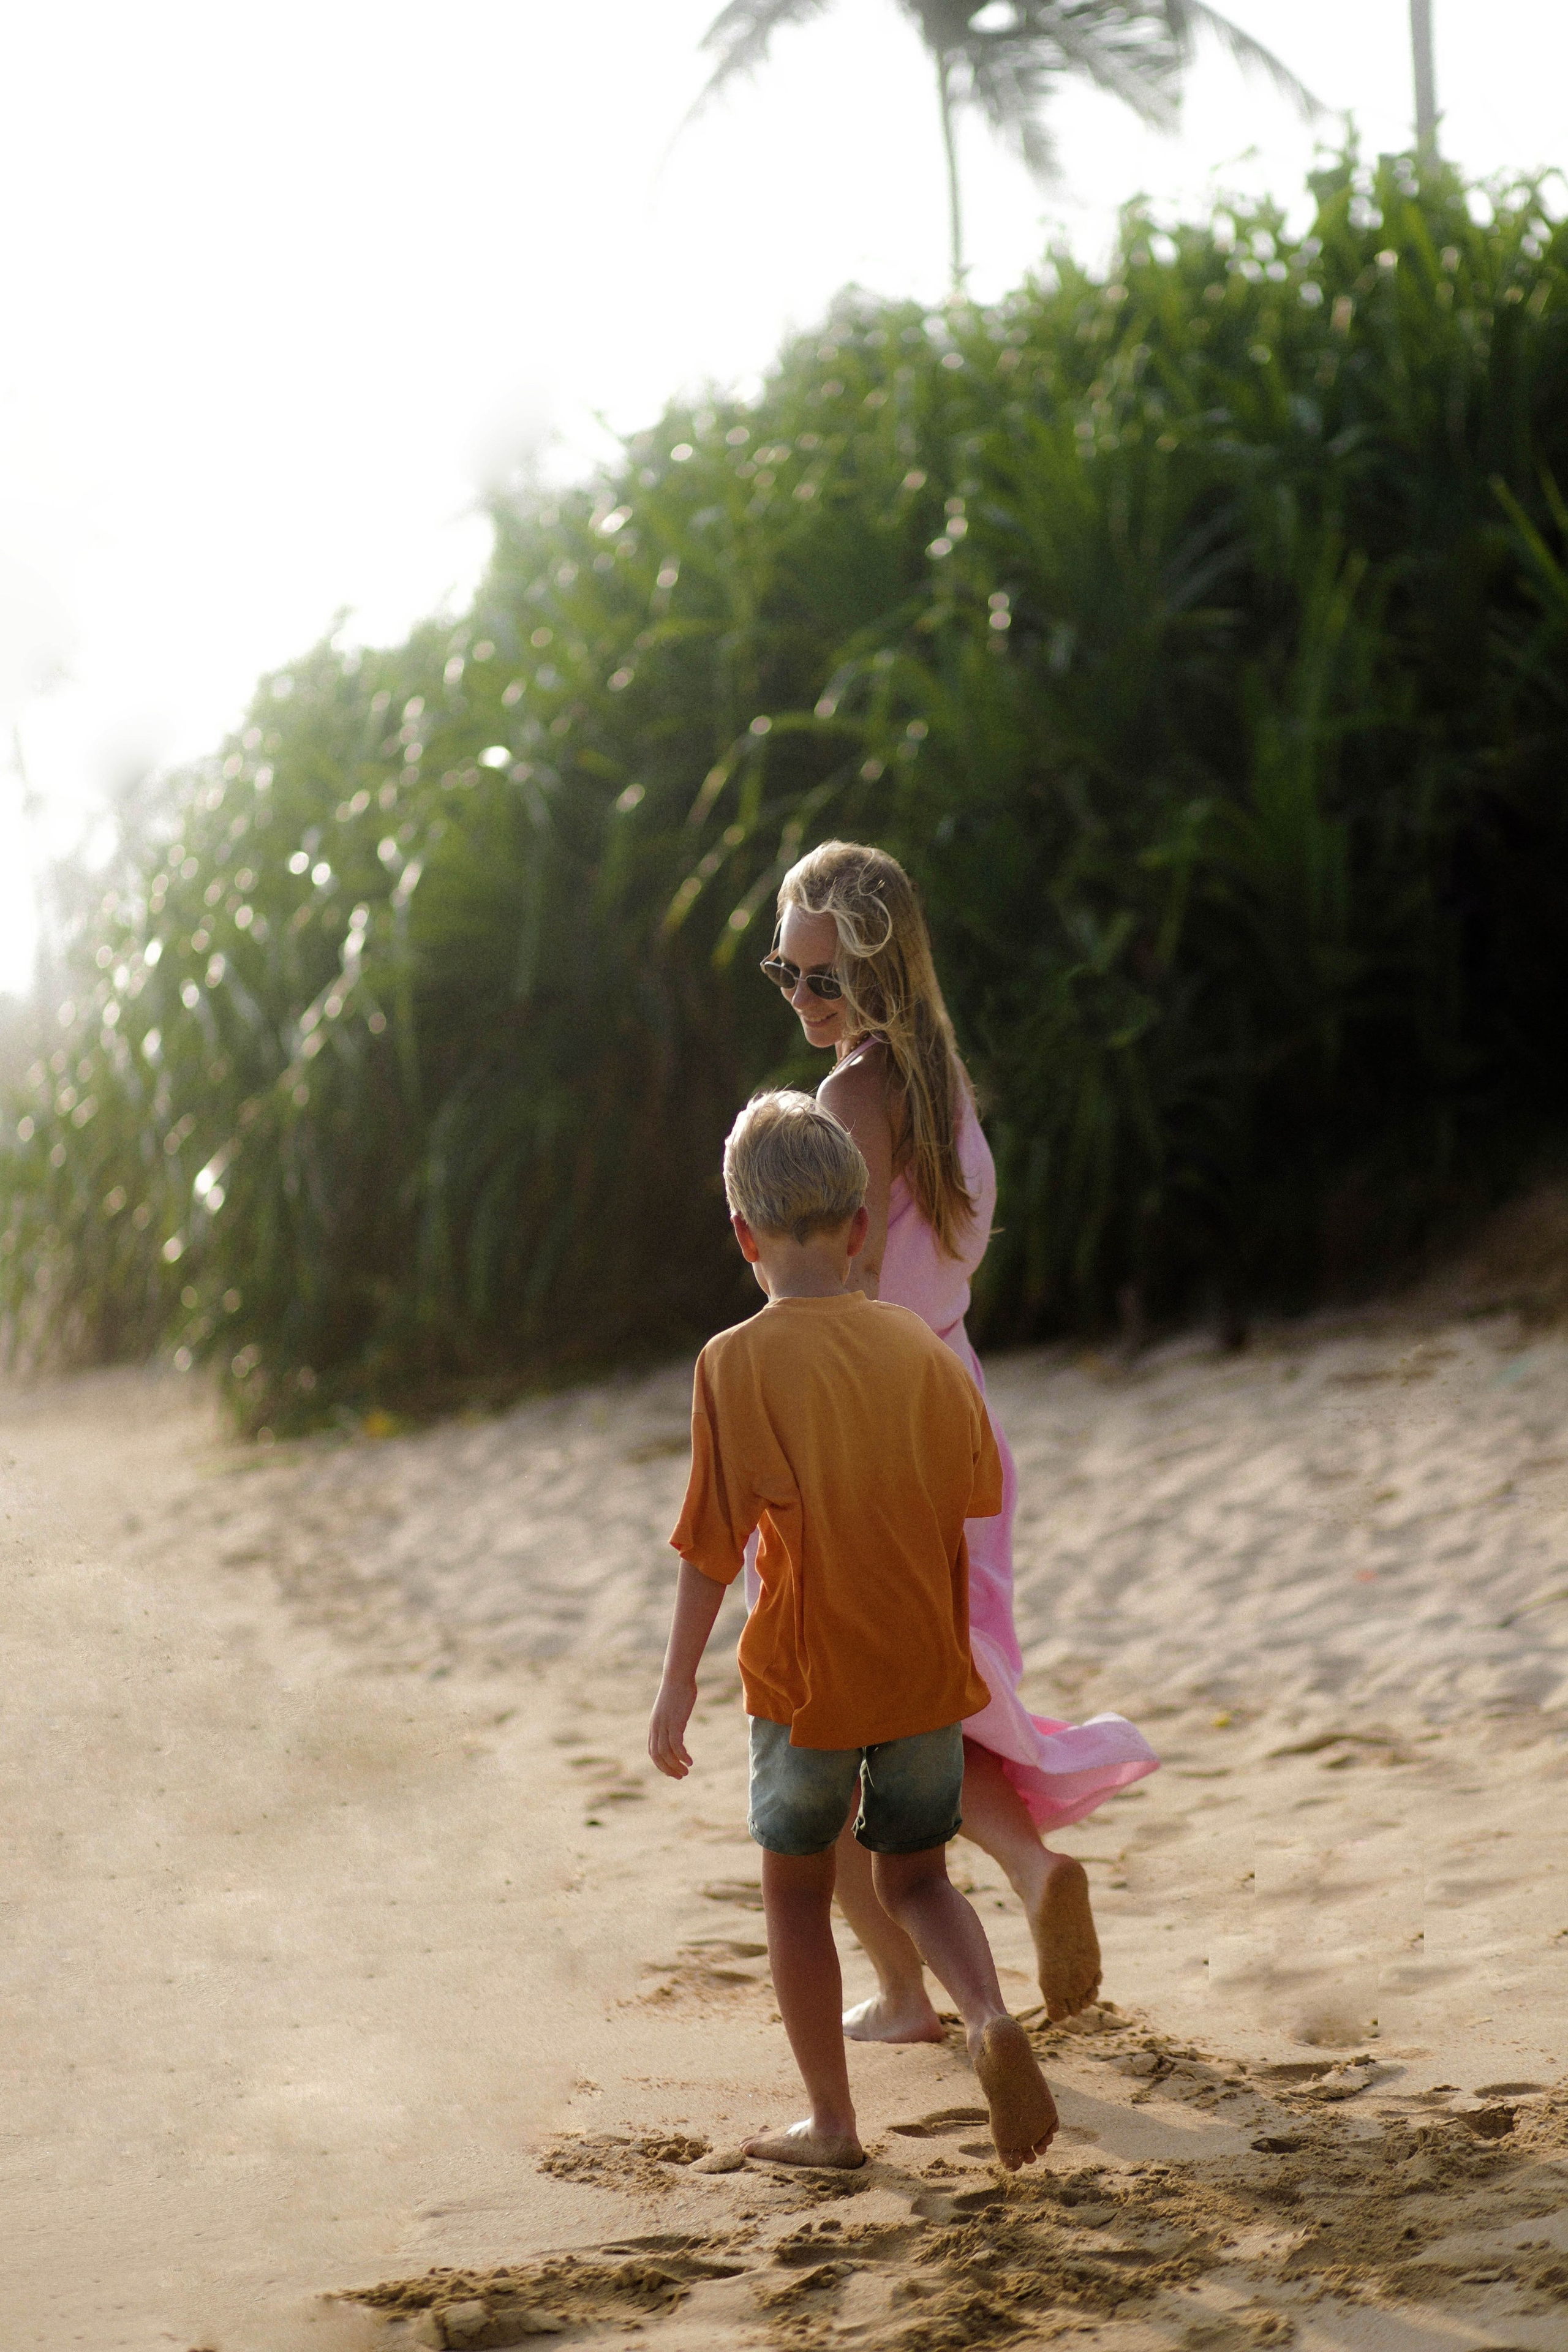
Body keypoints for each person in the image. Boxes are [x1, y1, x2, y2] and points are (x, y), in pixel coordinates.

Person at [756, 840, 1159, 2041]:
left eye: (821, 978)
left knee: (833, 1720)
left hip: (878, 1428)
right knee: (937, 1694)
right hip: (958, 1406)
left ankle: (902, 1992)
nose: (799, 997)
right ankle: (1032, 1871)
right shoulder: (941, 1083)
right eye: (784, 972)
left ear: (875, 975)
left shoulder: (846, 1101)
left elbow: (851, 1294)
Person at [648, 1090, 1059, 2174]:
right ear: (861, 1225)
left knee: (796, 1893)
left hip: (806, 1681)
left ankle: (832, 2125)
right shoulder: (918, 1346)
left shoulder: (733, 1362)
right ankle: (988, 2017)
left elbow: (710, 1547)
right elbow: (972, 1492)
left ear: (744, 1236)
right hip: (923, 1671)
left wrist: (678, 1683)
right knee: (918, 1880)